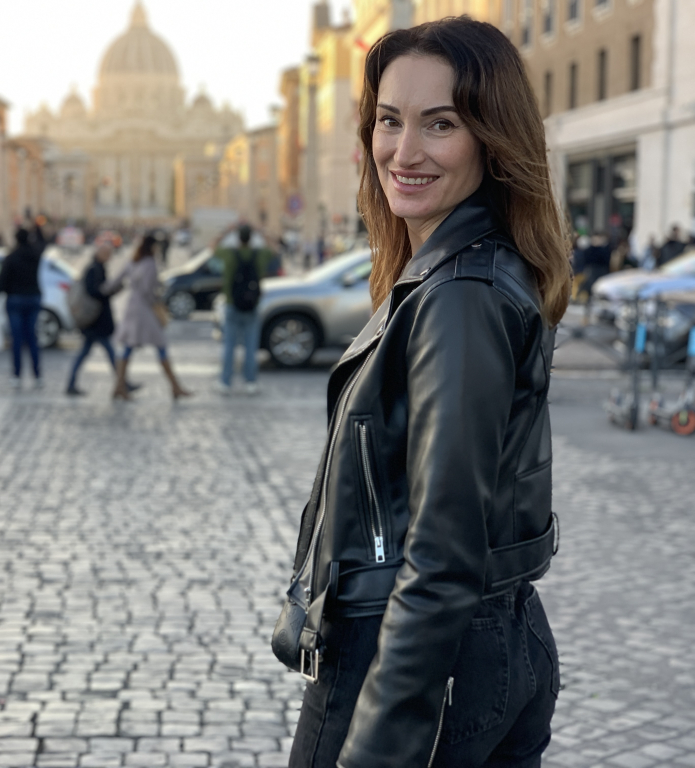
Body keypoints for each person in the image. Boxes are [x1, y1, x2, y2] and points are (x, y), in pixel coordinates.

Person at [283, 18, 571, 768]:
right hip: (484, 646)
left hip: (409, 664)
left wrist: (382, 742)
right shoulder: (461, 272)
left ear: (491, 139)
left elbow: (443, 553)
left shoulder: (460, 295)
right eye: (389, 121)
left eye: (439, 124)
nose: (403, 151)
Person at [108, 233, 192, 401]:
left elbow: (116, 281)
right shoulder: (150, 264)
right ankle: (175, 387)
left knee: (128, 347)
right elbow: (148, 291)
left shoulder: (134, 261)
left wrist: (100, 290)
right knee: (160, 345)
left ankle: (119, 386)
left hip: (132, 307)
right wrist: (158, 301)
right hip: (145, 310)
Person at [215, 224, 274, 394]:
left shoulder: (229, 254)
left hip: (231, 303)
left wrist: (227, 230)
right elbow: (274, 249)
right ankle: (250, 382)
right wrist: (261, 230)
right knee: (250, 346)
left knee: (229, 345)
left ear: (238, 238)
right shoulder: (260, 254)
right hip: (252, 305)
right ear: (251, 238)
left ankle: (225, 382)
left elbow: (213, 247)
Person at [0, 222, 46, 390]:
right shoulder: (35, 254)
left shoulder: (11, 257)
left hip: (15, 300)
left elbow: (1, 281)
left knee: (17, 339)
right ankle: (37, 375)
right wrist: (37, 226)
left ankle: (16, 375)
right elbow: (43, 242)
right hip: (33, 298)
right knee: (32, 338)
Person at [66, 243, 121, 396]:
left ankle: (71, 383)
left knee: (87, 353)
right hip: (95, 321)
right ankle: (122, 383)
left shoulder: (97, 268)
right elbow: (94, 292)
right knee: (109, 352)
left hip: (95, 321)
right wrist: (109, 290)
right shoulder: (94, 269)